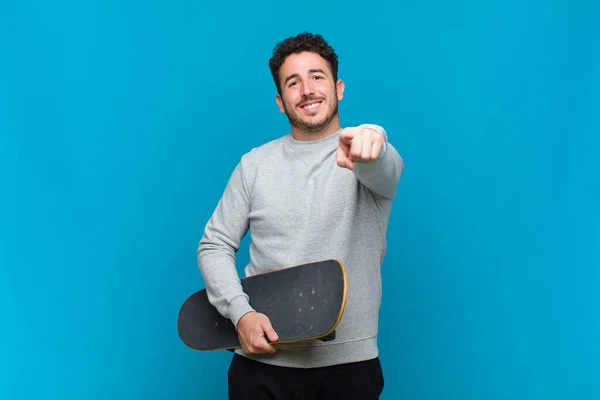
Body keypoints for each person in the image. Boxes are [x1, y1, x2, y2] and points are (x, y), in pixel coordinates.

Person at [196, 32, 404, 399]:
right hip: (261, 367)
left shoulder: (366, 156)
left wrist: (375, 139)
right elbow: (214, 245)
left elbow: (382, 166)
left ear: (339, 88)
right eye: (294, 82)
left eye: (317, 77)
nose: (307, 89)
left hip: (349, 368)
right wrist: (240, 314)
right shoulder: (253, 165)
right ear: (280, 101)